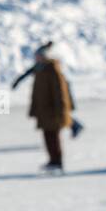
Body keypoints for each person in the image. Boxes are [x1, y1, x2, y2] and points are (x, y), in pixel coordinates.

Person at [13, 43, 75, 172]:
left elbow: (60, 93)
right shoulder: (40, 68)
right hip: (44, 111)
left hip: (53, 111)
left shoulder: (52, 70)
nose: (35, 59)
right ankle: (53, 161)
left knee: (53, 138)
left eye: (38, 56)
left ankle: (57, 162)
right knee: (48, 137)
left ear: (44, 57)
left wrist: (61, 111)